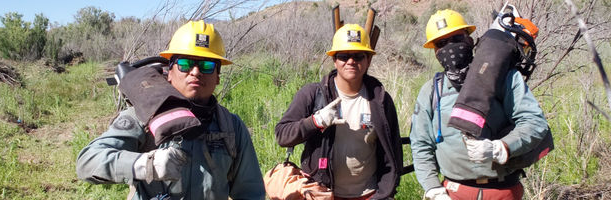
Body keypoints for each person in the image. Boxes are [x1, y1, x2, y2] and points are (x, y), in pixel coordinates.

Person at [75, 20, 265, 200]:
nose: (196, 72)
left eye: (207, 66)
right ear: (170, 72)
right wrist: (144, 165)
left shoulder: (231, 127)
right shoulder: (144, 115)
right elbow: (88, 161)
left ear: (217, 77)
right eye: (185, 64)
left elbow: (250, 193)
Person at [409, 9, 550, 200]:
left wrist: (501, 148)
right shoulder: (432, 90)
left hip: (503, 191)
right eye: (442, 43)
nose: (450, 47)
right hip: (453, 192)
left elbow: (535, 122)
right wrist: (433, 188)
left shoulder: (505, 76)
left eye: (457, 38)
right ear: (435, 52)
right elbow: (421, 143)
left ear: (470, 40)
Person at [275, 23, 402, 200]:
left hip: (369, 194)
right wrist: (315, 122)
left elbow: (393, 151)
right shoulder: (312, 94)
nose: (351, 61)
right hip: (322, 193)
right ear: (334, 60)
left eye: (358, 56)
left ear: (368, 60)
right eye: (343, 56)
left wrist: (386, 192)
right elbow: (282, 135)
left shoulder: (380, 100)